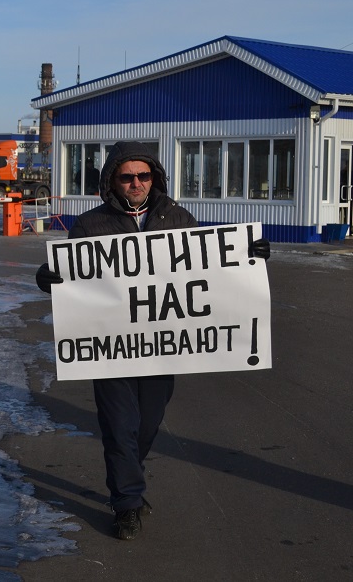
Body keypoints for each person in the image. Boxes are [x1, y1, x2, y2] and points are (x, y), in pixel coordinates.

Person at [36, 140, 270, 540]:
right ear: (113, 180)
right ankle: (126, 503)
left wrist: (250, 256)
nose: (136, 183)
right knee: (119, 425)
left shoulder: (178, 218)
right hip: (110, 349)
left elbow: (209, 273)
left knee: (145, 427)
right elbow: (73, 279)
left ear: (154, 177)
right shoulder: (90, 225)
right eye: (127, 177)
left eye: (143, 175)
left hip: (163, 349)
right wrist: (50, 278)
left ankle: (128, 480)